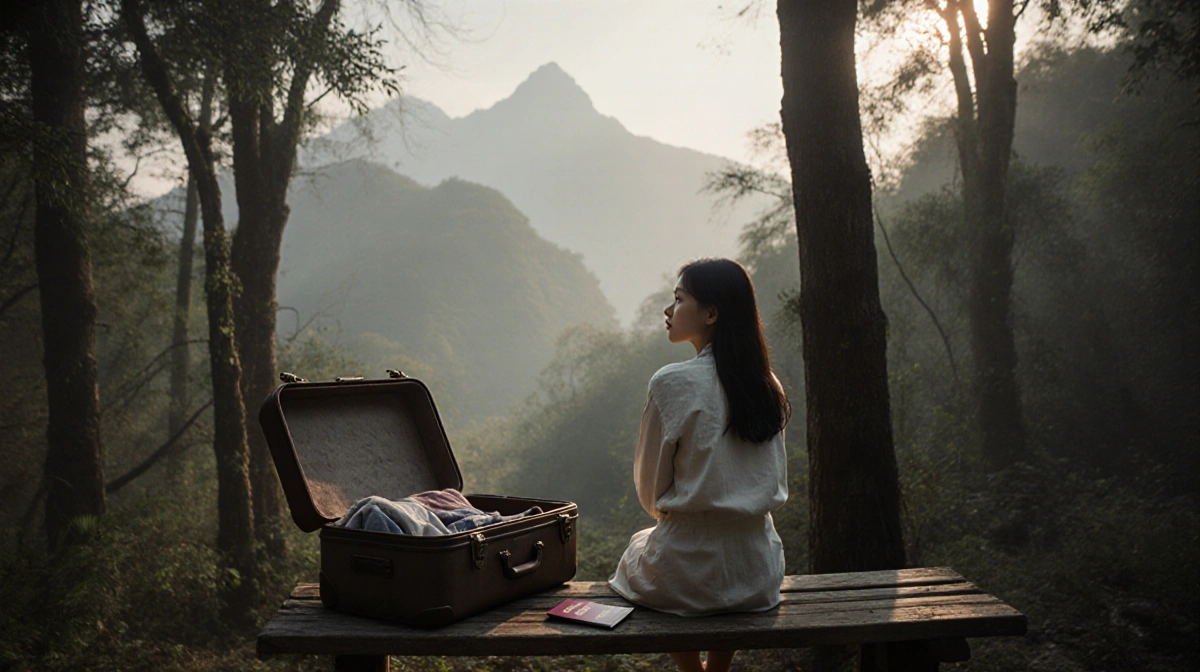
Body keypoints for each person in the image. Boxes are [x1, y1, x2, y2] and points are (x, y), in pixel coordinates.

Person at [609, 258, 791, 672]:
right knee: (715, 568)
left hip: (690, 569)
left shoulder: (671, 383)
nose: (668, 310)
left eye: (678, 299)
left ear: (711, 313)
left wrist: (677, 514)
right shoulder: (767, 385)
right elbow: (771, 476)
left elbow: (650, 489)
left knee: (641, 551)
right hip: (758, 569)